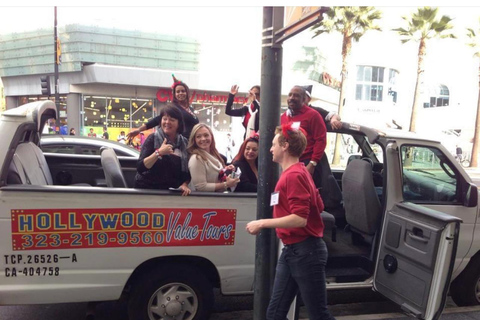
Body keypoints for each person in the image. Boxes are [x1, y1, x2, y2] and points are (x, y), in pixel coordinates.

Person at [246, 123, 335, 320]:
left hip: (306, 252)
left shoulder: (293, 175)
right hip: (295, 252)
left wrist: (262, 223)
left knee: (318, 314)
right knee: (275, 314)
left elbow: (300, 219)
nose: (270, 149)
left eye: (273, 144)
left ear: (285, 145)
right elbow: (318, 207)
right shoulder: (300, 171)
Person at [134, 104, 191, 196]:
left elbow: (188, 172)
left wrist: (185, 184)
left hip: (172, 192)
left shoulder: (184, 143)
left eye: (172, 120)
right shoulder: (153, 138)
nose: (167, 122)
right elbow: (140, 167)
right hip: (148, 191)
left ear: (179, 124)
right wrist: (158, 153)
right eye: (164, 119)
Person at [127, 74, 199, 141]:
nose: (180, 93)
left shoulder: (190, 108)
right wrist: (139, 129)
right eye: (178, 92)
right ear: (174, 94)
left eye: (183, 91)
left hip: (193, 142)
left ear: (187, 92)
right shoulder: (174, 108)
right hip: (183, 144)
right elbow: (157, 119)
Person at [281, 86, 326, 188]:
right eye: (290, 95)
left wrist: (312, 164)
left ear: (304, 99)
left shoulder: (313, 115)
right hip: (288, 164)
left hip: (307, 163)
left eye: (296, 95)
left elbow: (321, 140)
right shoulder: (283, 117)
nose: (292, 98)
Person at [187, 123, 239, 192]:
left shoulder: (214, 155)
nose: (203, 139)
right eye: (198, 136)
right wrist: (226, 184)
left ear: (211, 136)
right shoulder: (196, 158)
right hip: (204, 201)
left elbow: (216, 176)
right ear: (194, 140)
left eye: (206, 135)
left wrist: (226, 170)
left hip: (217, 200)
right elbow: (201, 187)